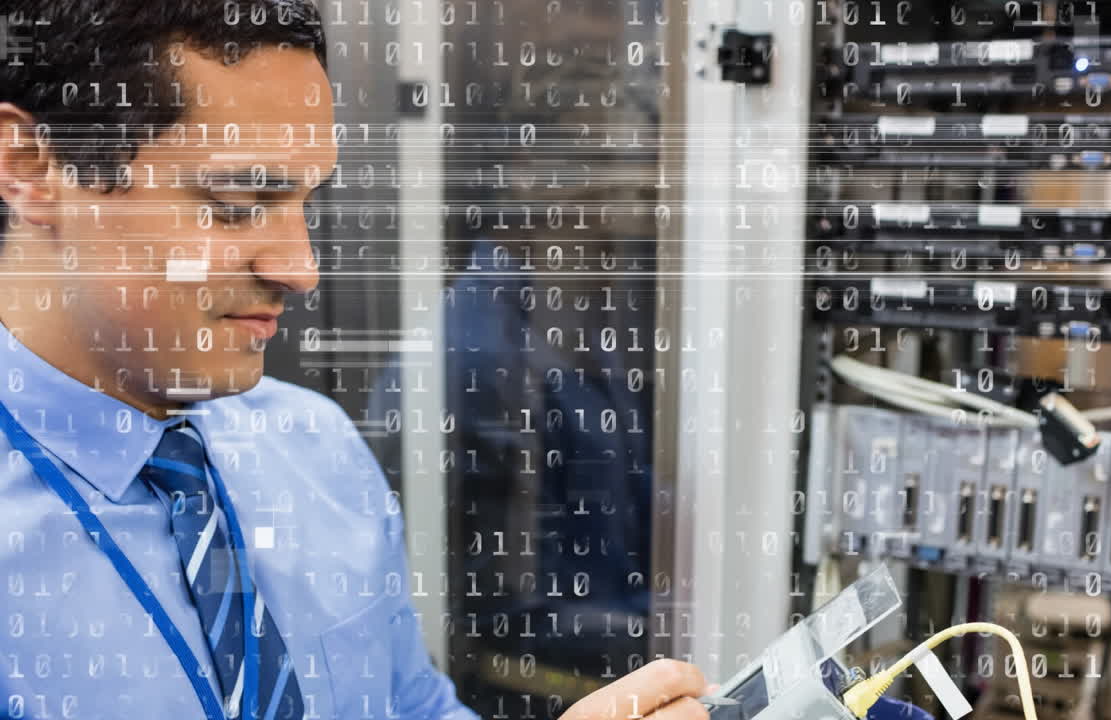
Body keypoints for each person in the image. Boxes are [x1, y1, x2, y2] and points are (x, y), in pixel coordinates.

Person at [0, 1, 717, 719]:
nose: (301, 268)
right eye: (236, 202)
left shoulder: (314, 450)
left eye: (305, 202)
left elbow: (416, 708)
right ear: (30, 168)